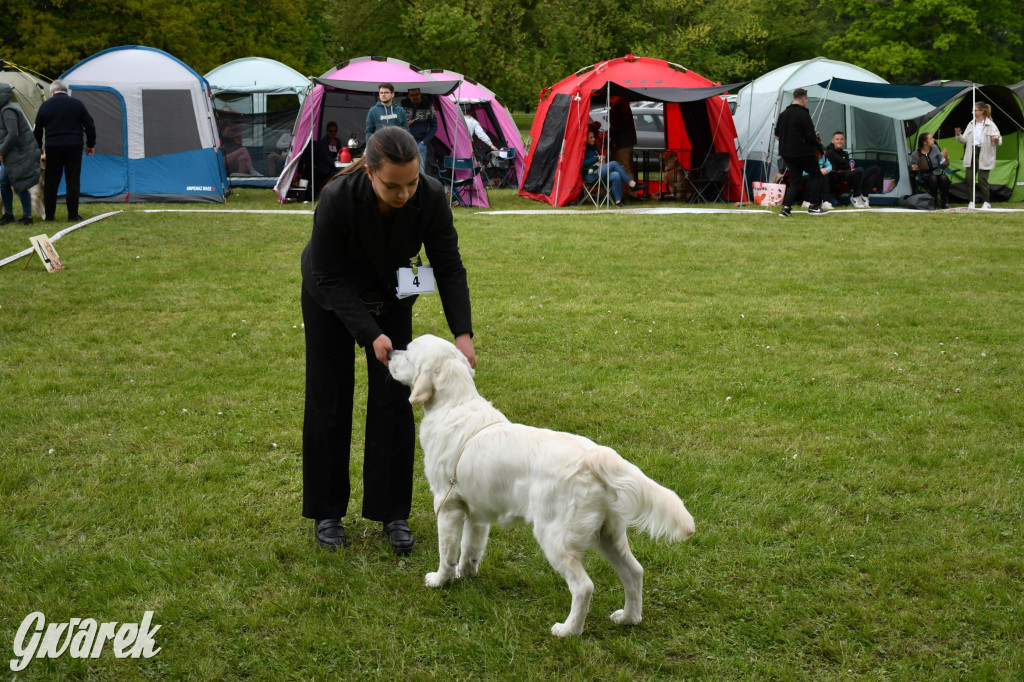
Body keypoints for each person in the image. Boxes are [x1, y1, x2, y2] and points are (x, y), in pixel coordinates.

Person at [300, 126, 475, 555]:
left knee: (394, 401)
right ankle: (327, 512)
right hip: (331, 296)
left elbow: (448, 266)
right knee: (330, 396)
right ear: (370, 172)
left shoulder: (430, 197)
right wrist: (369, 332)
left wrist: (463, 334)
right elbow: (324, 274)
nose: (404, 194)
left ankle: (392, 512)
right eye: (393, 186)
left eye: (411, 183)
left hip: (392, 293)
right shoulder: (338, 197)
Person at [33, 79, 95, 222]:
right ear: (66, 91)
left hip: (53, 148)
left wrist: (39, 147)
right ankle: (73, 215)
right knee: (72, 181)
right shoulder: (77, 105)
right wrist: (90, 145)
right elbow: (90, 125)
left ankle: (49, 216)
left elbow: (37, 129)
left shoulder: (45, 105)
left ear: (52, 92)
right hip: (74, 147)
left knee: (51, 182)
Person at [775, 88, 826, 217]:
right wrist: (821, 148)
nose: (806, 101)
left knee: (796, 181)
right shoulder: (804, 114)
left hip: (787, 154)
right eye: (807, 99)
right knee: (816, 175)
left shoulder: (783, 114)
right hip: (803, 153)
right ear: (803, 99)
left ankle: (786, 209)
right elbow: (810, 136)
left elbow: (777, 136)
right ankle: (813, 206)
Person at [0, 83, 41, 225]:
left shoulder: (8, 111)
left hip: (18, 153)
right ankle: (9, 214)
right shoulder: (4, 109)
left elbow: (13, 134)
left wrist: (1, 152)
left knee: (21, 183)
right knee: (4, 182)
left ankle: (27, 217)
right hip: (11, 154)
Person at [955, 101, 1002, 209]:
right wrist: (958, 135)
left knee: (982, 179)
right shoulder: (971, 124)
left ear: (982, 111)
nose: (972, 112)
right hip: (971, 152)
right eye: (973, 110)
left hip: (984, 154)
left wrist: (996, 140)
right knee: (969, 178)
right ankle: (971, 202)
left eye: (974, 110)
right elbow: (964, 140)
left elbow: (999, 141)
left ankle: (986, 202)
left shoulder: (991, 125)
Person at [582, 128, 644, 206]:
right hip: (591, 174)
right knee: (614, 163)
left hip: (600, 172)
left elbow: (600, 159)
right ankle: (632, 184)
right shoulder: (583, 150)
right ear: (585, 139)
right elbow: (583, 164)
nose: (594, 139)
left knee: (616, 175)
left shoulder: (595, 149)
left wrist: (603, 160)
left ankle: (618, 201)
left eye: (593, 137)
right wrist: (596, 159)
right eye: (591, 138)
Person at [825, 131, 881, 207]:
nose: (839, 141)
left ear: (844, 141)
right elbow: (832, 169)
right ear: (833, 141)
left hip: (850, 176)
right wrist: (849, 172)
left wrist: (851, 171)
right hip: (838, 177)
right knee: (859, 170)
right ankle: (855, 196)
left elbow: (849, 168)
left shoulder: (844, 153)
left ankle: (864, 196)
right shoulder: (829, 153)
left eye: (841, 139)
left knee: (875, 169)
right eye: (837, 139)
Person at [910, 132, 951, 209]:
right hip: (925, 176)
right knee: (933, 178)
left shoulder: (935, 148)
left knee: (943, 178)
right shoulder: (915, 154)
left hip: (937, 173)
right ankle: (933, 201)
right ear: (925, 142)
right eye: (931, 138)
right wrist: (915, 168)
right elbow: (914, 170)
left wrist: (946, 158)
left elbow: (943, 164)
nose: (933, 139)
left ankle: (944, 201)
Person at [402, 88, 437, 168]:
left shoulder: (428, 106)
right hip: (404, 142)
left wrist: (424, 141)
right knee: (404, 168)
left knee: (420, 169)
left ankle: (420, 180)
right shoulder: (402, 104)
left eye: (417, 94)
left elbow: (434, 126)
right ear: (408, 96)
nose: (415, 97)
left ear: (420, 94)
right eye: (412, 95)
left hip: (420, 142)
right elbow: (396, 123)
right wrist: (405, 123)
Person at [315, 121, 342, 189]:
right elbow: (326, 157)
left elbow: (340, 153)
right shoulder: (323, 142)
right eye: (331, 131)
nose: (333, 133)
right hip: (326, 167)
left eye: (335, 131)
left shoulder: (338, 141)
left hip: (335, 165)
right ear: (327, 131)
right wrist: (337, 165)